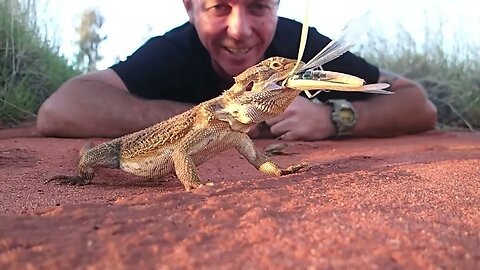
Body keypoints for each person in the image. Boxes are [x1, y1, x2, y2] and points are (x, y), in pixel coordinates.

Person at [37, 0, 437, 140]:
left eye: (258, 6)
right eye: (218, 7)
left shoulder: (302, 46)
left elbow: (419, 105)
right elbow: (61, 109)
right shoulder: (175, 49)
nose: (239, 30)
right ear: (189, 7)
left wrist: (337, 118)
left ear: (278, 7)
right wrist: (211, 121)